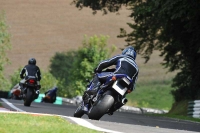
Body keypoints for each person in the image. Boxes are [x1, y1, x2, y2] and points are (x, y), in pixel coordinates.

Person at [82, 46, 139, 111]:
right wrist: (130, 89)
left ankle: (92, 92)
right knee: (124, 95)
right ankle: (116, 105)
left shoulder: (122, 57)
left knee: (98, 75)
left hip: (116, 76)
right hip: (129, 83)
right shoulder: (136, 68)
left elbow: (105, 63)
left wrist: (98, 69)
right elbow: (134, 83)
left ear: (125, 52)